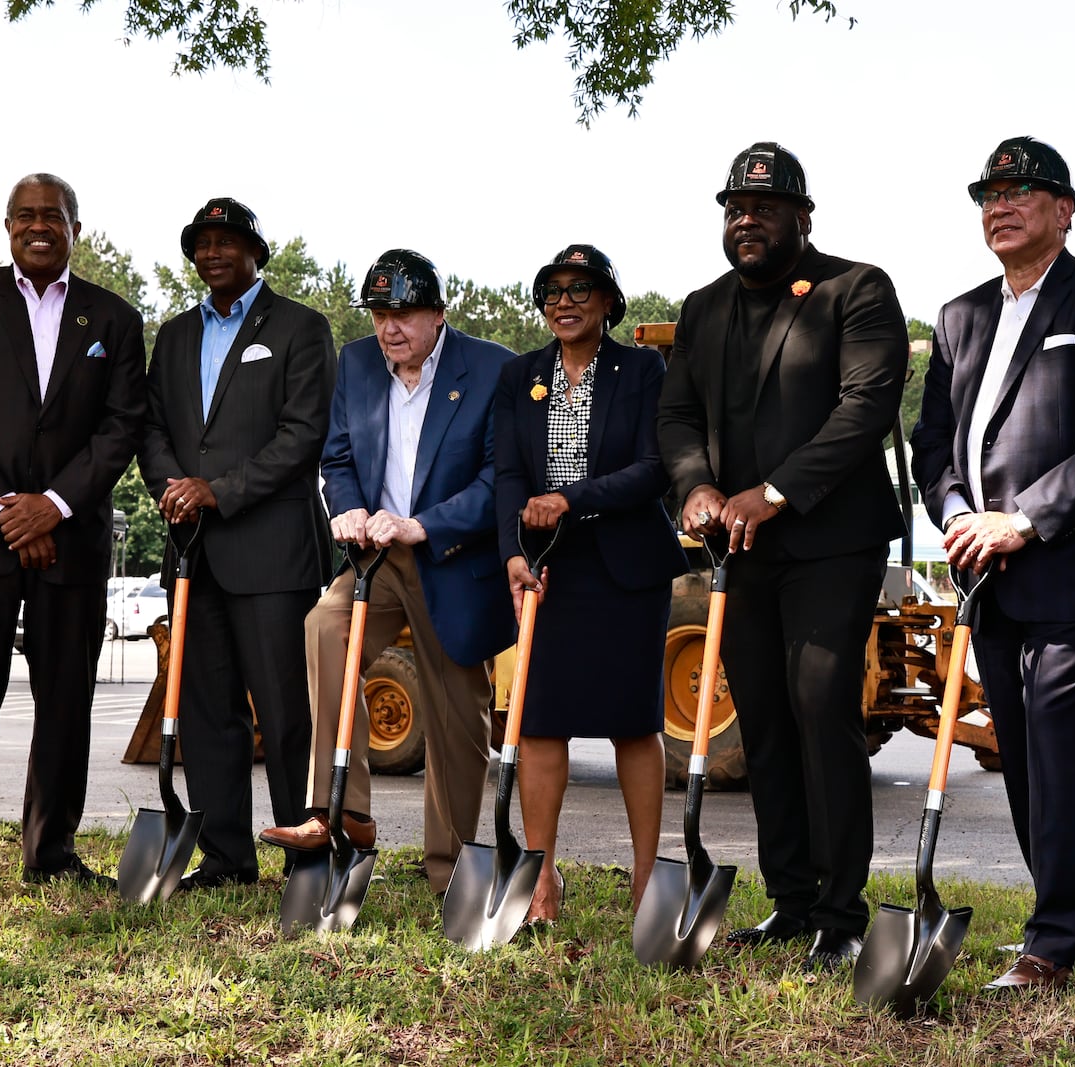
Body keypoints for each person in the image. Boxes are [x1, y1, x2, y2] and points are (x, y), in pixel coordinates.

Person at [910, 137, 1075, 991]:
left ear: (1065, 209)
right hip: (988, 574)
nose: (1002, 204)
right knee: (1021, 754)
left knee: (1056, 746)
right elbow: (931, 442)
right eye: (990, 193)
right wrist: (955, 515)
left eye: (1024, 191)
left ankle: (1054, 941)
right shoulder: (958, 315)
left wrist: (1019, 520)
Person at [656, 142, 910, 971]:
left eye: (764, 207)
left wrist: (772, 492)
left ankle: (843, 914)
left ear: (802, 215)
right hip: (735, 549)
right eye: (735, 207)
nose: (747, 220)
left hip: (829, 540)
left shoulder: (855, 289)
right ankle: (792, 901)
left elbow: (864, 405)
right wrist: (696, 487)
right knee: (762, 718)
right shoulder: (701, 308)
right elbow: (677, 418)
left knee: (819, 706)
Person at [0, 173, 147, 903]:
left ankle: (51, 850)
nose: (39, 226)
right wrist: (7, 509)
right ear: (7, 225)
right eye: (25, 215)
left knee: (65, 699)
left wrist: (52, 505)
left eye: (54, 215)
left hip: (71, 538)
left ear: (77, 226)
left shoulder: (113, 316)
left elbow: (121, 428)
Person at [258, 250, 516, 896]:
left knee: (458, 717)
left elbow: (499, 480)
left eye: (402, 313)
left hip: (452, 560)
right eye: (379, 314)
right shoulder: (359, 363)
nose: (388, 328)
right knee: (325, 626)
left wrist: (423, 524)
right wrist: (346, 509)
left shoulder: (491, 370)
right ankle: (341, 810)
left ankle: (449, 866)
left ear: (438, 313)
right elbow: (338, 455)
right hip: (378, 557)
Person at [138, 198, 337, 889]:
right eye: (202, 243)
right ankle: (226, 856)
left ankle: (305, 852)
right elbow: (151, 428)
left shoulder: (301, 328)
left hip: (272, 549)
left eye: (228, 241)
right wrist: (175, 487)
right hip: (192, 551)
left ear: (258, 251)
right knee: (205, 710)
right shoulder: (172, 336)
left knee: (283, 712)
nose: (213, 252)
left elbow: (302, 434)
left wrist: (217, 488)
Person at [493, 245, 688, 921]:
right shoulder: (521, 376)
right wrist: (513, 554)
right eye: (553, 290)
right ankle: (541, 881)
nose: (566, 301)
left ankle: (645, 880)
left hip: (628, 569)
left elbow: (655, 468)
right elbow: (509, 474)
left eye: (582, 289)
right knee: (542, 723)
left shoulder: (643, 370)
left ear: (609, 301)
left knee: (633, 724)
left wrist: (571, 498)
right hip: (549, 570)